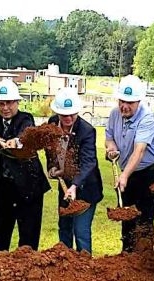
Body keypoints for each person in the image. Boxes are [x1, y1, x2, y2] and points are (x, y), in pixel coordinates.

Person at [0, 80, 50, 251]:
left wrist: (15, 141)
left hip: (29, 186)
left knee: (28, 237)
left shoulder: (25, 119)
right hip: (4, 186)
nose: (5, 108)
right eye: (1, 103)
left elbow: (25, 137)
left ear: (17, 102)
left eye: (9, 103)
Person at [105, 75, 154, 252]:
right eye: (122, 101)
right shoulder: (115, 114)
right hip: (128, 173)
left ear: (139, 101)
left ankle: (146, 264)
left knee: (144, 221)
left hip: (149, 173)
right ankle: (127, 259)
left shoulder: (148, 117)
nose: (125, 106)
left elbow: (139, 151)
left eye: (130, 103)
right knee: (127, 218)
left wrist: (124, 175)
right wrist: (111, 148)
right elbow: (108, 138)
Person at [46, 88, 103, 254]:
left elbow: (89, 162)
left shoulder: (86, 131)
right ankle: (65, 268)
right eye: (64, 115)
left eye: (72, 114)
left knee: (81, 231)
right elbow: (49, 149)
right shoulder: (51, 124)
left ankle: (85, 270)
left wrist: (75, 186)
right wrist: (51, 167)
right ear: (57, 113)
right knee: (64, 228)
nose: (69, 118)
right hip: (65, 187)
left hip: (86, 189)